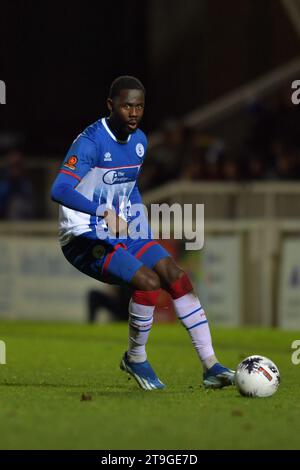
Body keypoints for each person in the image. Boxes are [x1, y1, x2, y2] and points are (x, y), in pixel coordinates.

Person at [51, 75, 235, 391]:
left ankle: (211, 366)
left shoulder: (140, 141)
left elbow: (130, 185)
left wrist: (139, 224)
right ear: (111, 106)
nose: (133, 113)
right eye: (126, 106)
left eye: (139, 106)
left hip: (125, 229)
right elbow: (60, 188)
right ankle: (136, 358)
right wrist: (102, 212)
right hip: (83, 237)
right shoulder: (91, 143)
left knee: (176, 276)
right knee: (149, 283)